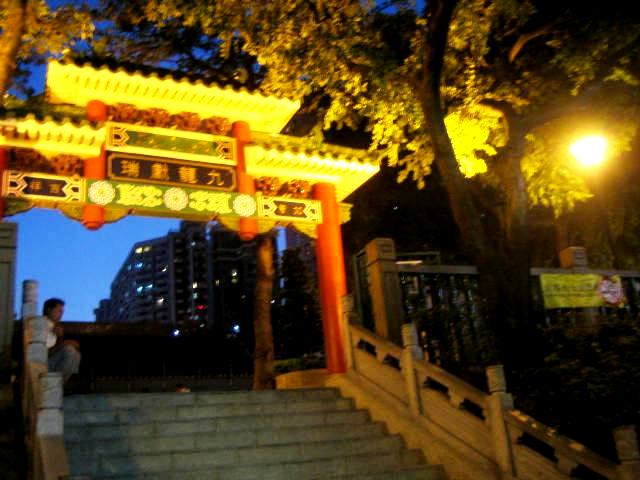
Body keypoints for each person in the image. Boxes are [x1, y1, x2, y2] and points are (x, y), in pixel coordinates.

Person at [43, 298, 81, 384]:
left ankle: (59, 384)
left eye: (62, 312)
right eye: (59, 311)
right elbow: (43, 353)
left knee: (76, 354)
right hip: (41, 364)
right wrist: (64, 344)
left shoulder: (56, 327)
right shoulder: (42, 325)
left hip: (51, 362)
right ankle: (55, 386)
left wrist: (60, 338)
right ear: (49, 310)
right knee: (69, 351)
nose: (61, 315)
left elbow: (55, 348)